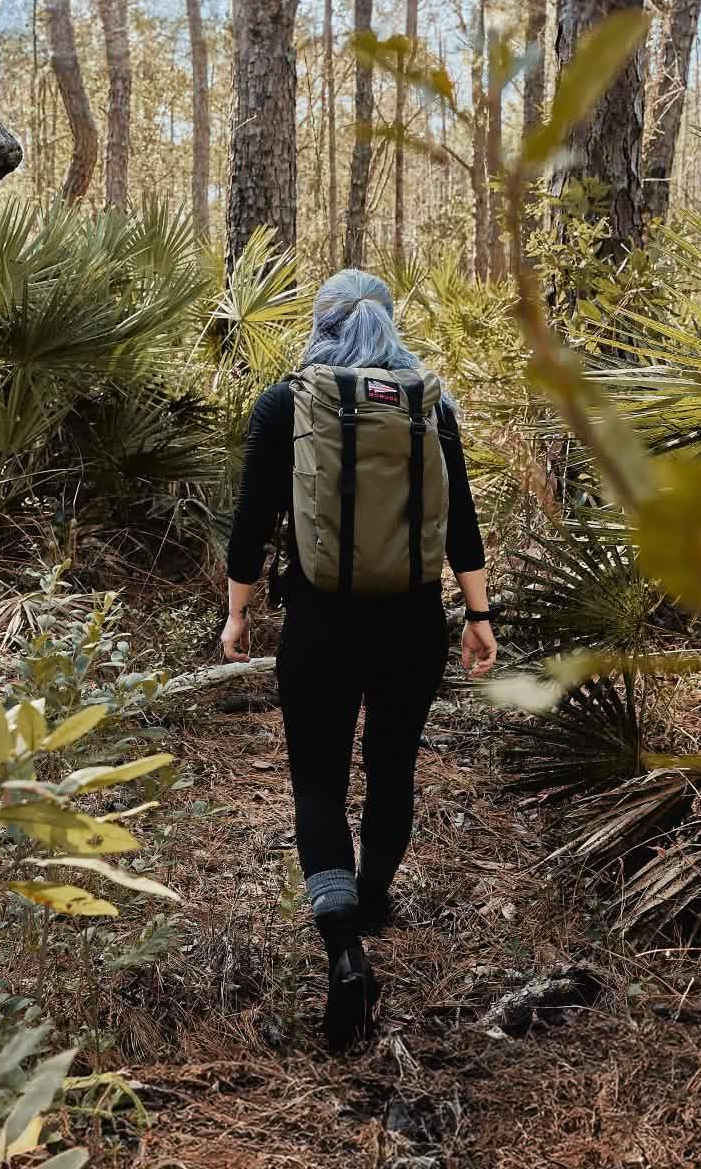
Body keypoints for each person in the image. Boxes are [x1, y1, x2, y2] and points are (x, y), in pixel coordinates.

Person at [221, 269, 497, 1052]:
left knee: (317, 782)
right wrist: (478, 617)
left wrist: (238, 613)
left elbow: (251, 524)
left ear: (322, 322)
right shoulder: (428, 404)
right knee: (394, 770)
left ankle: (344, 948)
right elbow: (462, 525)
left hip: (319, 626)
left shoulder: (288, 403)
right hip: (412, 625)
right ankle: (373, 899)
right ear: (389, 321)